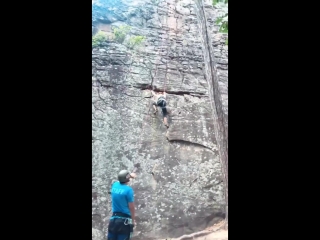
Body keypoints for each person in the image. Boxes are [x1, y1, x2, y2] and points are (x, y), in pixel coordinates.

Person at [107, 170, 136, 240]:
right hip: (124, 222)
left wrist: (129, 176)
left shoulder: (115, 185)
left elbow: (121, 179)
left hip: (113, 220)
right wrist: (133, 221)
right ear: (127, 179)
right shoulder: (128, 190)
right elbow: (131, 207)